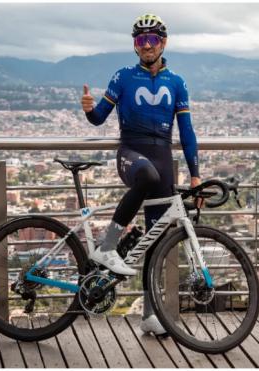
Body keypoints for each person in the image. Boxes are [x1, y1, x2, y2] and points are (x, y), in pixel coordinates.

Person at [81, 14, 200, 335]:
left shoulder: (176, 82)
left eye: (152, 39)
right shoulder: (123, 77)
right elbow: (98, 119)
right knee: (145, 177)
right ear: (135, 45)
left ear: (163, 42)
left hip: (164, 160)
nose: (147, 45)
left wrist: (195, 175)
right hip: (131, 155)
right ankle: (107, 247)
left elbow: (187, 132)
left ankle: (149, 315)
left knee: (155, 241)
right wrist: (89, 108)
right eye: (140, 40)